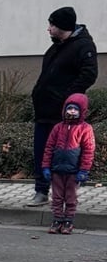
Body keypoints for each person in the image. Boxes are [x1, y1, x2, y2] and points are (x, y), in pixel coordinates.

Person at [27, 6, 97, 206]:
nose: (48, 29)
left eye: (52, 25)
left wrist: (67, 98)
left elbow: (89, 75)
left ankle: (66, 193)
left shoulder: (83, 46)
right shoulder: (56, 46)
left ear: (63, 26)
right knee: (41, 151)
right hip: (44, 110)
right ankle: (41, 190)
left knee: (65, 153)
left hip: (63, 113)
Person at [41, 93, 95, 234]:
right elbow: (49, 148)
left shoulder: (85, 129)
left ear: (82, 111)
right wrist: (46, 166)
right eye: (69, 108)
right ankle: (57, 219)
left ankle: (68, 221)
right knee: (57, 197)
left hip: (74, 171)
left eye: (75, 109)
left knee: (71, 197)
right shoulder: (58, 128)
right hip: (57, 169)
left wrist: (84, 170)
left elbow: (88, 150)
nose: (72, 111)